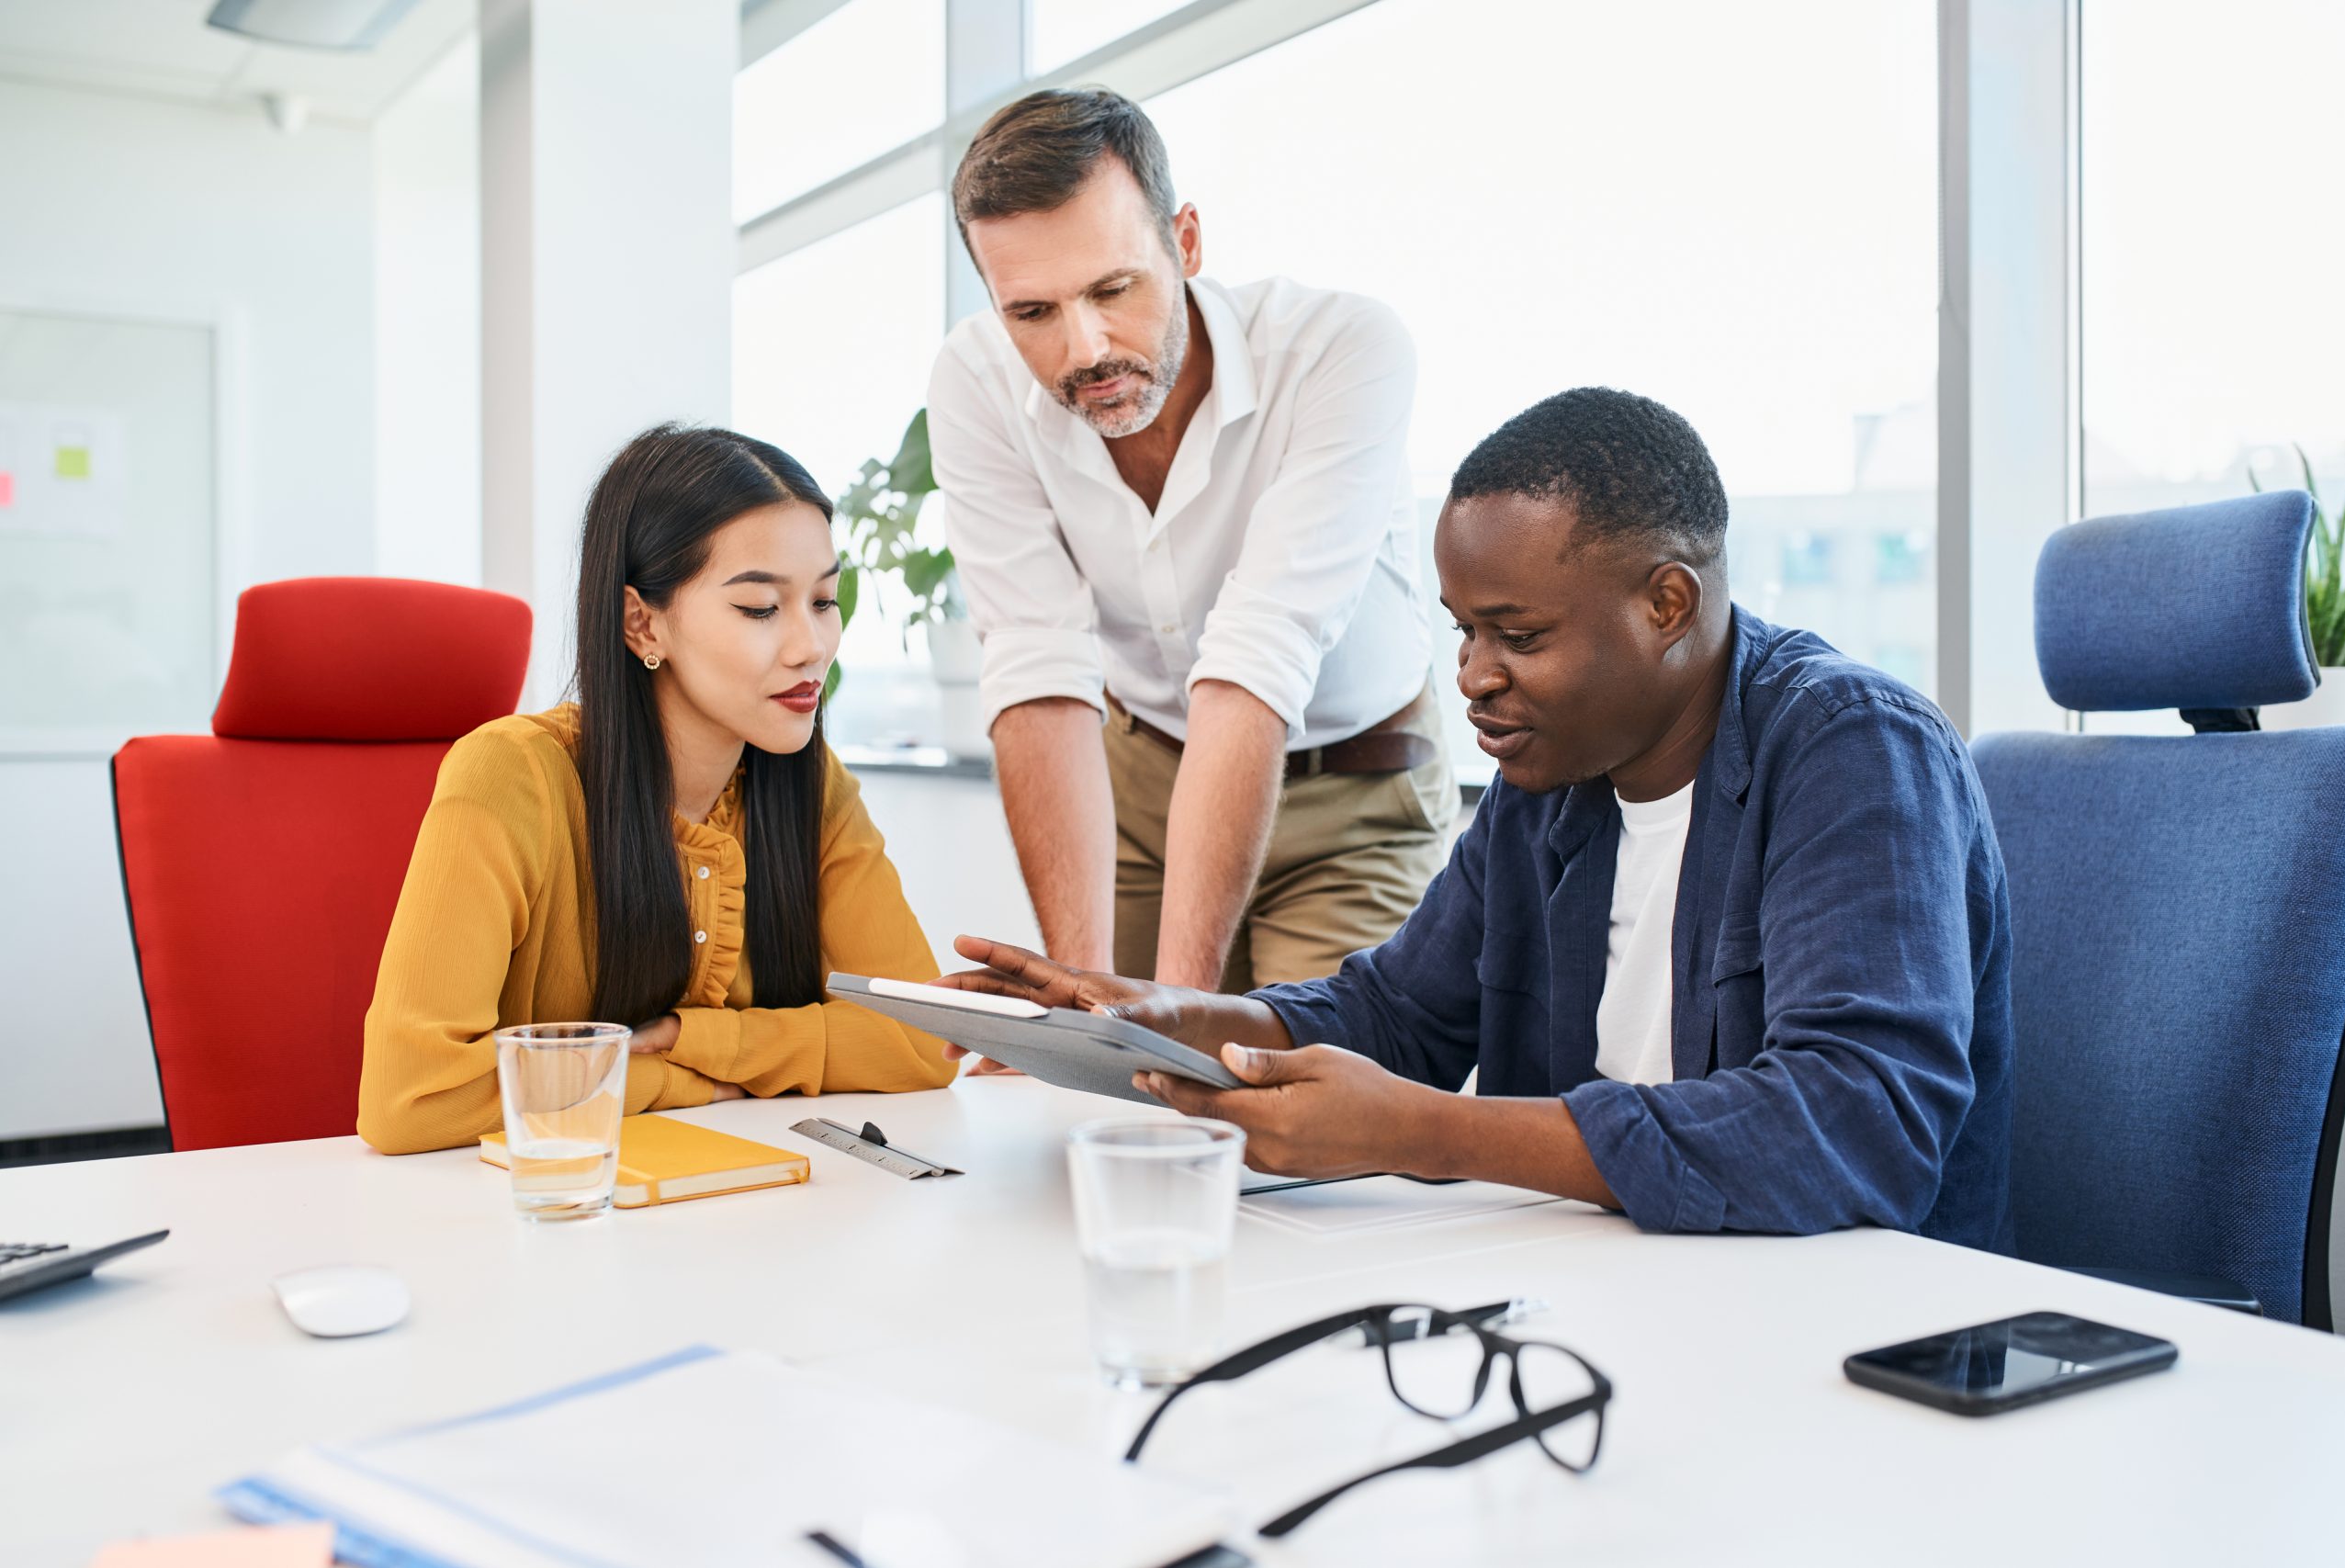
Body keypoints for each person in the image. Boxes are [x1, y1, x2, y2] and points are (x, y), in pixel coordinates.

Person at [943, 388, 2015, 1247]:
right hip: (1603, 1286)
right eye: (1462, 632)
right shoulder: (1553, 778)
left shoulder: (1853, 748)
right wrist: (1163, 1019)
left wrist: (1428, 1129)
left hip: (1832, 1320)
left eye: (1516, 634)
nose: (1472, 677)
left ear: (1667, 604)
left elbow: (1856, 1123)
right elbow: (1399, 1013)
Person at [929, 87, 1454, 998]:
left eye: (1111, 289)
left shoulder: (1341, 351)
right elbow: (1036, 668)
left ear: (1187, 242)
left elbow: (1259, 657)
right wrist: (1089, 1004)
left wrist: (1172, 1016)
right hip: (1142, 781)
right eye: (1032, 313)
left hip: (1352, 795)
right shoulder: (973, 383)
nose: (1082, 349)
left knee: (1299, 1111)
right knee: (1117, 1089)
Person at [358, 425, 955, 1154]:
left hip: (744, 1221)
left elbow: (928, 1041)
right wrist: (688, 1082)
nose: (812, 647)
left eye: (824, 600)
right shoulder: (511, 775)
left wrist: (704, 1038)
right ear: (643, 622)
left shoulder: (811, 784)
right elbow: (414, 1100)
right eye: (761, 608)